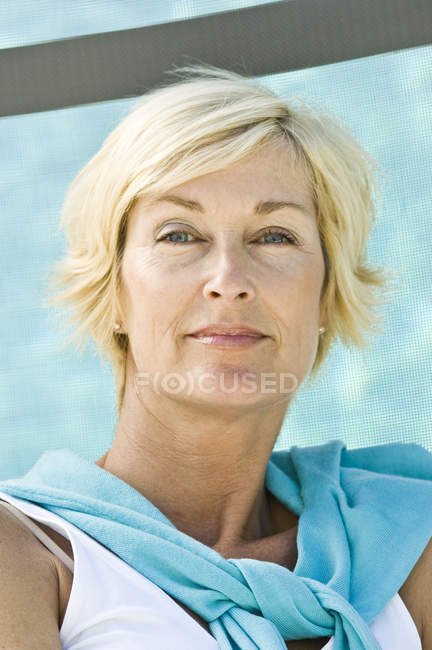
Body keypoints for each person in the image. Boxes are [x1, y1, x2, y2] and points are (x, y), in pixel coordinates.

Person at [0, 64, 431, 650]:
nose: (229, 279)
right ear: (114, 294)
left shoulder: (406, 537)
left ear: (326, 296)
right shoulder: (26, 551)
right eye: (180, 234)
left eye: (274, 236)